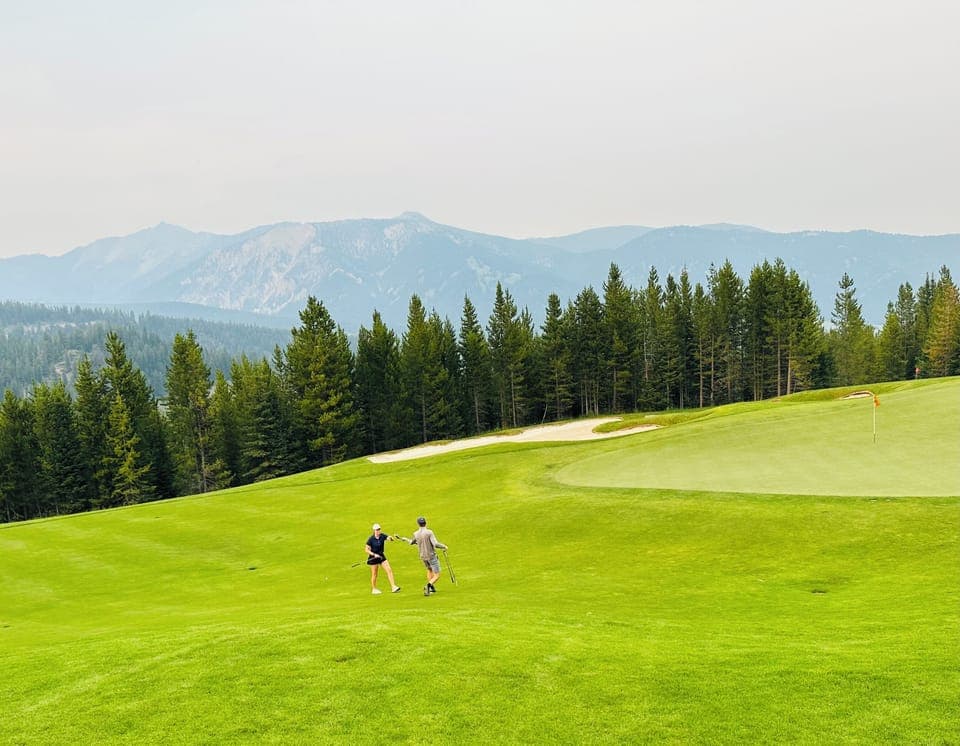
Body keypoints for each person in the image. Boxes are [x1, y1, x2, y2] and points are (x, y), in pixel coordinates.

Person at [408, 516, 447, 595]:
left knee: (429, 570)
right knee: (437, 575)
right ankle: (428, 585)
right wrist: (444, 546)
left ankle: (431, 587)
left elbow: (412, 542)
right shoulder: (429, 532)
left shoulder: (416, 534)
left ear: (418, 524)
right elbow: (435, 544)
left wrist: (406, 539)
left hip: (423, 556)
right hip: (431, 556)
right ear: (425, 523)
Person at [365, 523, 401, 595]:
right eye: (376, 530)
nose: (378, 531)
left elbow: (388, 538)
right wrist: (374, 554)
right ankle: (374, 589)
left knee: (389, 570)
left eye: (379, 529)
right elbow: (366, 550)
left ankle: (393, 587)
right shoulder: (371, 539)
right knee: (375, 574)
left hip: (381, 556)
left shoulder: (382, 536)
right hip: (373, 558)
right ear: (374, 531)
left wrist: (391, 538)